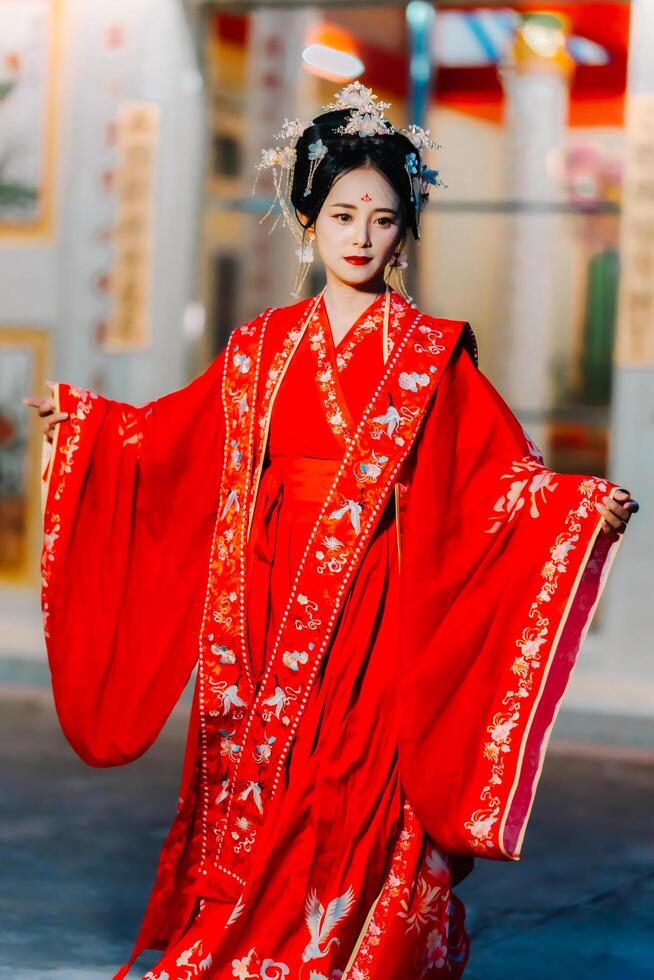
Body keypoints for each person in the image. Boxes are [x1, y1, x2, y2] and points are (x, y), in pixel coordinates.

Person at [24, 82, 638, 979]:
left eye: (383, 219)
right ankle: (257, 934)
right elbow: (171, 441)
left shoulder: (433, 354)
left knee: (355, 780)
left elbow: (498, 481)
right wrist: (86, 427)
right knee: (272, 786)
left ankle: (353, 942)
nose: (360, 235)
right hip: (268, 600)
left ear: (404, 232)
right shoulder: (262, 347)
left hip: (376, 603)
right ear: (306, 217)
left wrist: (576, 507)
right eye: (343, 213)